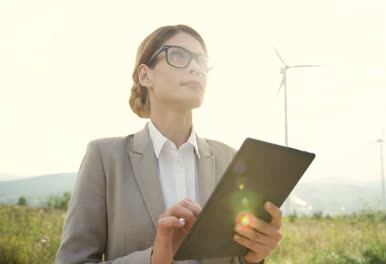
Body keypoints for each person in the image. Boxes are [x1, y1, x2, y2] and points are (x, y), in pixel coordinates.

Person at [55, 24, 283, 264]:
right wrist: (153, 259)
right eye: (178, 55)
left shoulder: (231, 160)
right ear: (145, 75)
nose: (196, 67)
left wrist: (253, 257)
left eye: (201, 61)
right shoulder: (104, 158)